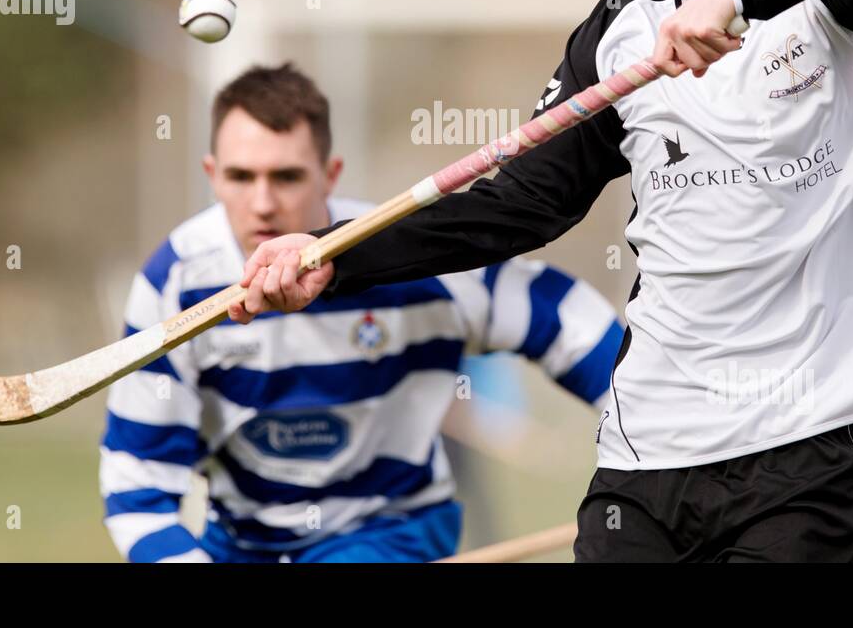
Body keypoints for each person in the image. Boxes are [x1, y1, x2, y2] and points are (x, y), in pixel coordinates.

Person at [232, 0, 853, 563]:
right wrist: (333, 257)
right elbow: (519, 205)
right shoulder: (617, 28)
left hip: (799, 455)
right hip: (644, 455)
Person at [99, 63, 624, 562]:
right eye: (241, 177)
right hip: (242, 543)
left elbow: (563, 320)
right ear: (212, 176)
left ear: (330, 175)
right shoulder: (175, 284)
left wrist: (659, 437)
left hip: (389, 533)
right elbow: (138, 490)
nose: (262, 203)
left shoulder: (404, 257)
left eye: (286, 177)